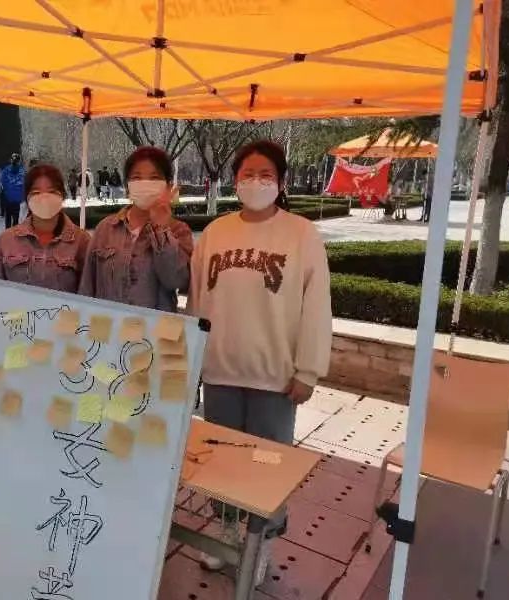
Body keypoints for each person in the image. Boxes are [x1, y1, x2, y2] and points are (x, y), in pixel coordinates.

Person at [188, 140, 332, 578]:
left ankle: (262, 543)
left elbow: (317, 307)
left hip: (275, 377)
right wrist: (193, 361)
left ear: (281, 181)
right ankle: (227, 531)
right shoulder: (216, 233)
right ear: (235, 180)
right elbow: (197, 300)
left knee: (267, 466)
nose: (256, 181)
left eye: (265, 174)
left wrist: (308, 370)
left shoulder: (301, 234)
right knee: (221, 460)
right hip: (221, 371)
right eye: (247, 173)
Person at [79, 146, 192, 312]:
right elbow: (87, 287)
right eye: (137, 177)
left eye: (154, 178)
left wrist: (161, 229)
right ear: (128, 186)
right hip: (107, 325)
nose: (145, 184)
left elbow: (177, 281)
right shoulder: (105, 229)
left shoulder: (179, 231)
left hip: (154, 328)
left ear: (168, 186)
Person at [0, 164, 90, 293]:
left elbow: (89, 293)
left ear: (62, 196)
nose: (44, 198)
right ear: (27, 198)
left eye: (52, 192)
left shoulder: (81, 242)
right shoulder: (6, 240)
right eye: (36, 193)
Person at [1, 153, 25, 229]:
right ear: (19, 161)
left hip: (8, 197)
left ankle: (8, 231)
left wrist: (7, 190)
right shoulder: (23, 171)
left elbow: (3, 182)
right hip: (18, 198)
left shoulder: (6, 170)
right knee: (16, 218)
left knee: (8, 217)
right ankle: (15, 232)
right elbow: (25, 183)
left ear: (11, 160)